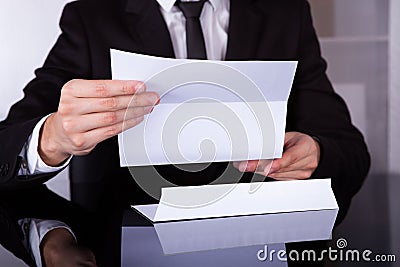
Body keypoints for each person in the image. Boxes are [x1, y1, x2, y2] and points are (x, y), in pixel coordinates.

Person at [0, 0, 370, 266]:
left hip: (258, 234)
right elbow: (8, 143)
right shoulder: (91, 16)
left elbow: (349, 150)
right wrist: (52, 137)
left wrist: (316, 153)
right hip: (120, 233)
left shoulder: (285, 12)